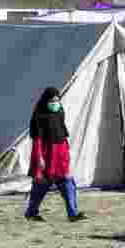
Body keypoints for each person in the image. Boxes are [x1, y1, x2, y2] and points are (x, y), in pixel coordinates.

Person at [24, 87, 87, 222]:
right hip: (46, 155)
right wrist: (39, 157)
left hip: (60, 154)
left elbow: (62, 133)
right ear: (46, 100)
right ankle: (31, 212)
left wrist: (66, 153)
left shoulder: (59, 111)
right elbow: (37, 138)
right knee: (41, 186)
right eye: (52, 101)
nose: (55, 103)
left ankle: (73, 213)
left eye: (58, 100)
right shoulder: (39, 115)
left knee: (67, 182)